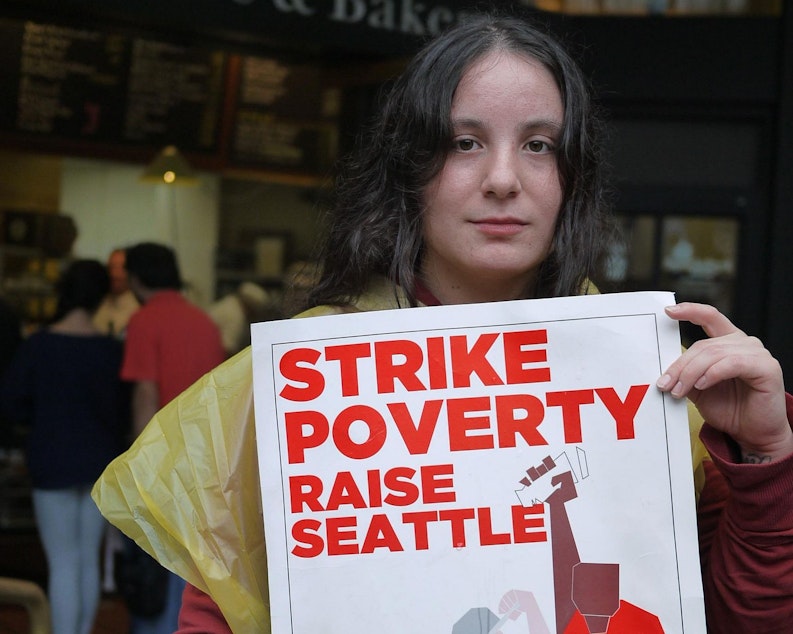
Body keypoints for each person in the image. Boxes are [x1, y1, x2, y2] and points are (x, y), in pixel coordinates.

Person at [92, 13, 793, 634]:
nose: (501, 178)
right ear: (408, 168)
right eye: (463, 142)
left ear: (572, 177)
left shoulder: (659, 385)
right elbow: (215, 617)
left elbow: (742, 619)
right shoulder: (297, 386)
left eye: (539, 145)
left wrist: (764, 458)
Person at [1, 260, 128, 634]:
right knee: (88, 558)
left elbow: (9, 402)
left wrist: (36, 424)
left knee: (62, 562)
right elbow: (120, 412)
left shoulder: (39, 346)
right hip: (98, 460)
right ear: (102, 296)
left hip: (51, 459)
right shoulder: (110, 351)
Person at [119, 242, 226, 633]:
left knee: (157, 561)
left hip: (163, 462)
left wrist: (138, 463)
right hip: (205, 461)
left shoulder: (145, 320)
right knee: (192, 571)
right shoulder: (204, 321)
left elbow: (146, 392)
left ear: (134, 278)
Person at [92, 247, 140, 338]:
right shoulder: (95, 304)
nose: (114, 274)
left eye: (121, 268)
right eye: (111, 267)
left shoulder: (139, 308)